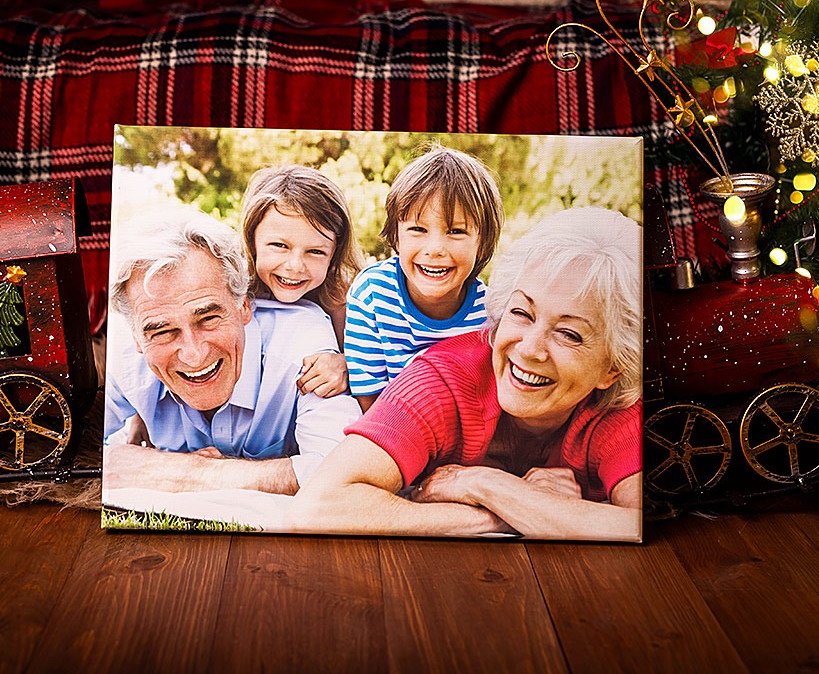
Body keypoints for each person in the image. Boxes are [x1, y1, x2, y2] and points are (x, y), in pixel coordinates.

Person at [292, 207, 642, 540]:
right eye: (522, 313)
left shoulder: (618, 410)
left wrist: (482, 484)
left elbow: (639, 525)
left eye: (569, 334)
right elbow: (319, 505)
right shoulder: (441, 381)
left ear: (612, 368)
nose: (529, 349)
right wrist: (507, 510)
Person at [103, 209, 362, 495]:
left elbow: (341, 472)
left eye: (209, 319)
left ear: (243, 306)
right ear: (137, 337)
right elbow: (56, 451)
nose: (194, 355)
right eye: (163, 332)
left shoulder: (304, 346)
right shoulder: (126, 362)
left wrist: (183, 471)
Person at [343, 145, 504, 410]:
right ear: (396, 235)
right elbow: (368, 401)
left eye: (455, 231)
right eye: (418, 229)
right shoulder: (372, 294)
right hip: (387, 428)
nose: (435, 249)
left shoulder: (490, 314)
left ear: (482, 242)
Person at [239, 165, 363, 398]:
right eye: (279, 246)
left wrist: (345, 364)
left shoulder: (342, 299)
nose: (295, 266)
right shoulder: (231, 286)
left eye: (315, 251)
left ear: (334, 254)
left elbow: (371, 363)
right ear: (251, 239)